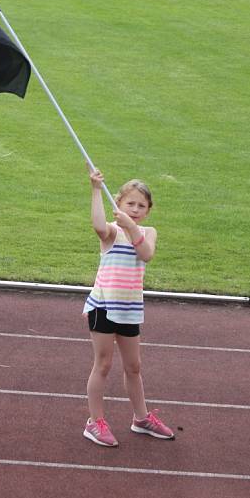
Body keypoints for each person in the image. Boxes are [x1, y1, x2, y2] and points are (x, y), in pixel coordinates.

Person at [82, 167, 174, 447]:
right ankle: (94, 422)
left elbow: (145, 254)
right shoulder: (111, 233)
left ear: (148, 210)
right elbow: (98, 225)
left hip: (130, 310)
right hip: (104, 307)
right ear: (118, 204)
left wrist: (132, 226)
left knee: (134, 367)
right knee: (104, 364)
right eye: (130, 203)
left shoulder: (147, 232)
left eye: (141, 205)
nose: (135, 209)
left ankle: (141, 418)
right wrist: (96, 189)